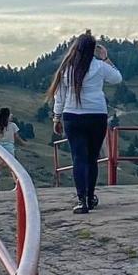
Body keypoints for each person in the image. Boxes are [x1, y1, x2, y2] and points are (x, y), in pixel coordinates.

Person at [48, 30, 122, 214]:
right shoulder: (99, 66)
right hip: (96, 114)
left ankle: (81, 200)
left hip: (72, 115)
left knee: (78, 158)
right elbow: (117, 78)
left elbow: (60, 96)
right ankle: (90, 196)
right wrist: (105, 58)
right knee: (92, 158)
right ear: (93, 50)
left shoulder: (66, 68)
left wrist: (56, 117)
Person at [0, 107, 26, 193]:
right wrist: (23, 143)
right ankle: (17, 184)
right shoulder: (13, 125)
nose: (11, 115)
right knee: (12, 167)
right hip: (9, 147)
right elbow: (17, 137)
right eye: (10, 114)